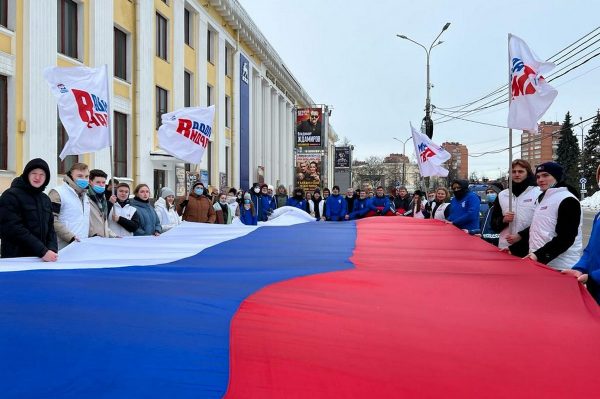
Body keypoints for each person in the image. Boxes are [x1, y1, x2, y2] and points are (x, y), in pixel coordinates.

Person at [513, 162, 582, 270]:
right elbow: (538, 229)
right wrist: (513, 249)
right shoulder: (544, 198)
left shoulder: (568, 200)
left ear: (557, 177)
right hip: (542, 262)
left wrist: (538, 256)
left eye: (545, 175)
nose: (540, 180)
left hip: (561, 266)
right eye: (538, 177)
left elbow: (566, 238)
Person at [0, 158, 58, 261]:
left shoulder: (45, 199)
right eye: (34, 173)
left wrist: (52, 249)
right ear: (27, 174)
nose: (37, 177)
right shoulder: (11, 195)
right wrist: (42, 251)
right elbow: (13, 228)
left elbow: (51, 229)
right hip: (16, 259)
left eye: (42, 175)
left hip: (42, 259)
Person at [563, 166, 600, 304]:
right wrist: (579, 269)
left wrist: (594, 276)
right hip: (594, 286)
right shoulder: (598, 216)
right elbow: (590, 250)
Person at [491, 159, 540, 257]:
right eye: (513, 172)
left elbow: (541, 223)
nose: (517, 174)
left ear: (528, 173)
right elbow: (493, 224)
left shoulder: (538, 192)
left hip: (530, 247)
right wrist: (503, 220)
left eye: (521, 171)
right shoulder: (502, 195)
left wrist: (521, 235)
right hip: (505, 247)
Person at [48, 163, 91, 249]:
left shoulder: (86, 196)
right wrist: (70, 237)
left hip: (82, 246)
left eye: (86, 176)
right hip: (62, 247)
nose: (84, 179)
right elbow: (51, 219)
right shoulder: (58, 192)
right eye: (79, 176)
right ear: (70, 176)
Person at [87, 169, 117, 239]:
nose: (101, 185)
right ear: (90, 182)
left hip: (102, 240)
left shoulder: (102, 199)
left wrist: (114, 236)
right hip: (91, 239)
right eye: (98, 182)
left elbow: (103, 224)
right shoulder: (85, 198)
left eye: (103, 182)